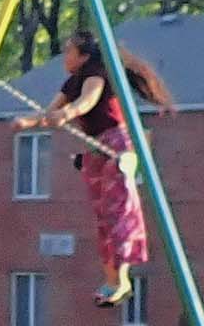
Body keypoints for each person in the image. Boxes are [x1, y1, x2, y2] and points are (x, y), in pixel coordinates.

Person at [12, 29, 175, 307]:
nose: (65, 56)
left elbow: (86, 102)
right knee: (103, 217)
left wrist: (67, 113)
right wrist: (27, 122)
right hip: (97, 148)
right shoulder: (72, 82)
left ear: (84, 56)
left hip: (116, 144)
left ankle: (122, 279)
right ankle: (112, 280)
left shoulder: (95, 74)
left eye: (69, 51)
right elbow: (49, 112)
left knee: (118, 211)